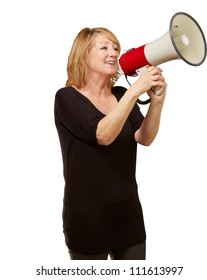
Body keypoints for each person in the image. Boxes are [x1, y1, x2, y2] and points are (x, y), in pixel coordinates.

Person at [54, 27, 167, 260]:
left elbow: (144, 138)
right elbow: (102, 135)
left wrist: (156, 102)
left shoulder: (120, 94)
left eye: (116, 48)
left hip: (129, 218)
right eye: (104, 47)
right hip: (88, 223)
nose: (113, 53)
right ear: (83, 55)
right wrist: (135, 91)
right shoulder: (66, 98)